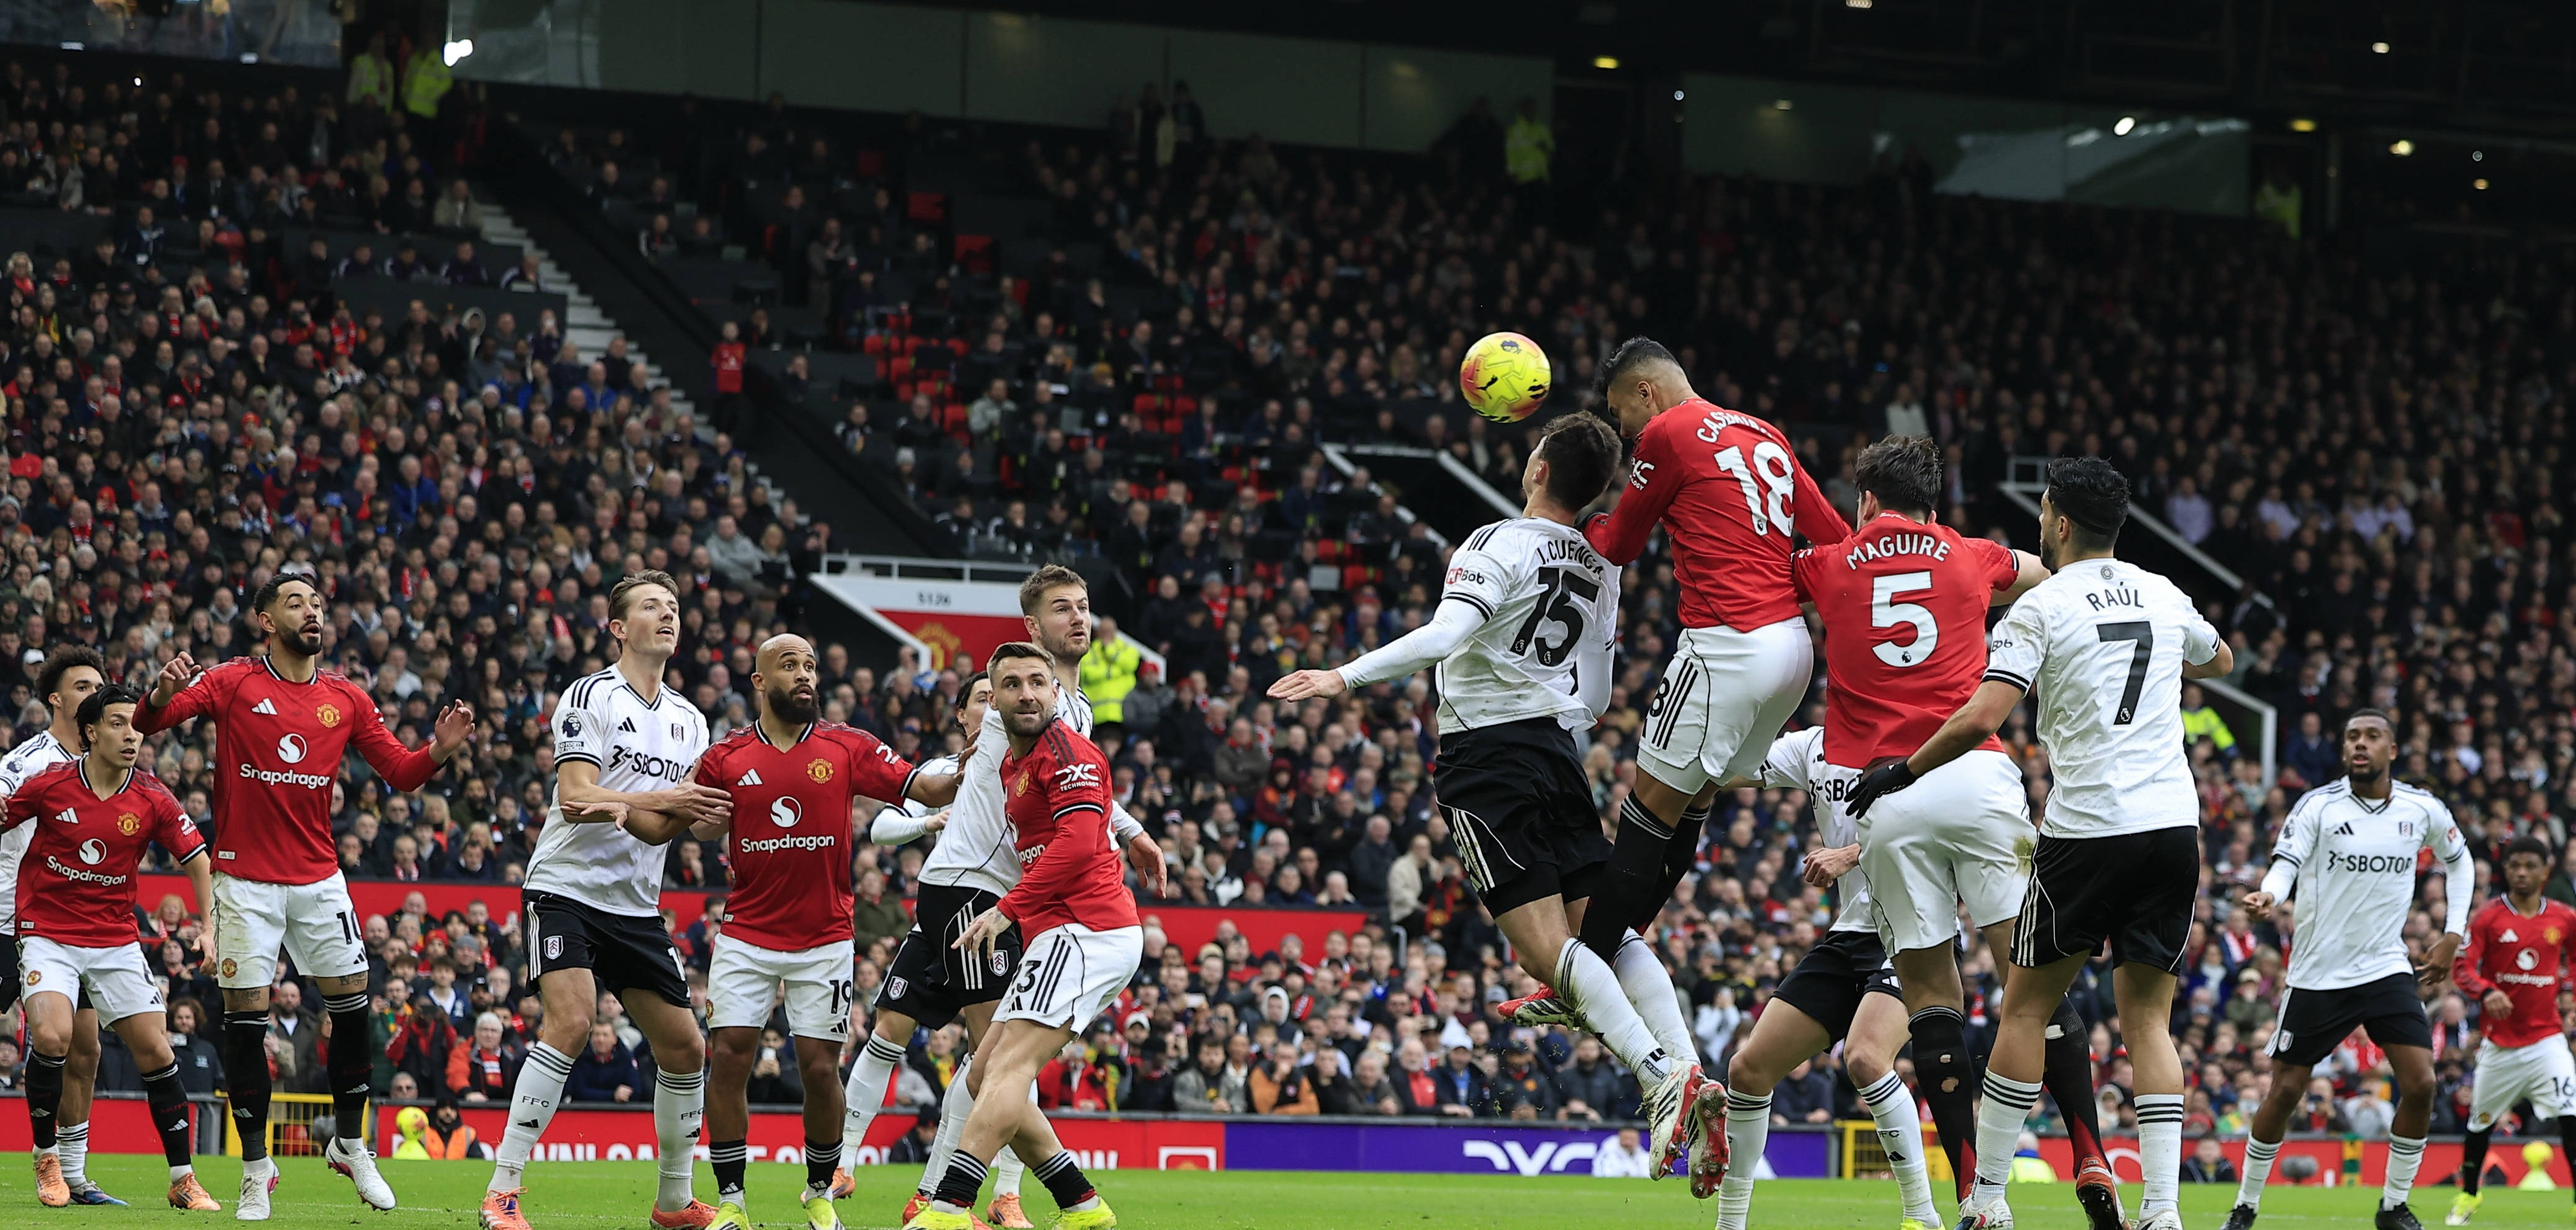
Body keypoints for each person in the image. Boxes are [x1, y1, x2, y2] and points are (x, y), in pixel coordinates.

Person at [1272, 414, 1707, 1175]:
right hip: (1557, 752)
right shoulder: (1602, 565)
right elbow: (1599, 694)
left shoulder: (1494, 541)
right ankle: (1688, 1061)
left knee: (1547, 950)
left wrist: (1342, 677)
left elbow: (1445, 637)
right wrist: (1552, 712)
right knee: (1601, 925)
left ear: (1539, 468)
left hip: (1485, 757)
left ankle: (1657, 1077)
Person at [1846, 457, 2235, 1230]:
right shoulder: (2162, 592)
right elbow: (2218, 658)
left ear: (2057, 520)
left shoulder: (2044, 606)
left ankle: (1987, 1199)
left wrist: (1902, 770)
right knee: (2149, 1023)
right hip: (2172, 827)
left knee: (2025, 1011)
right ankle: (2163, 1211)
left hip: (2090, 829)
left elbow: (1983, 719)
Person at [1753, 437, 2123, 1230]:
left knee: (1931, 1001)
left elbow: (1781, 570)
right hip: (1979, 774)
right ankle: (2090, 1149)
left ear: (1865, 502)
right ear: (1933, 502)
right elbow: (2050, 578)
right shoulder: (1975, 555)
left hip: (1891, 791)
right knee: (2032, 983)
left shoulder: (1830, 566)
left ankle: (1974, 1198)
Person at [1511, 339, 1854, 1180]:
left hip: (1726, 642)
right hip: (1789, 648)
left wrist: (1566, 528)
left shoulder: (1672, 432)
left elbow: (1622, 539)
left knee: (1648, 802)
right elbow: (1836, 537)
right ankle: (1608, 956)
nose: (1628, 440)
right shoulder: (1767, 433)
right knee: (1689, 796)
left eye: (1625, 417)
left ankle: (1584, 963)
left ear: (1643, 389)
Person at [140, 572, 475, 1217]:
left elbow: (402, 773)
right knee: (245, 1025)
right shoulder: (233, 680)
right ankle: (256, 1169)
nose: (312, 611)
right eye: (296, 602)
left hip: (320, 879)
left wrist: (439, 750)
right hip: (244, 882)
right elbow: (157, 721)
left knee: (353, 1009)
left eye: (318, 602)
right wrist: (160, 692)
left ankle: (350, 1145)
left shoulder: (345, 698)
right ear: (267, 620)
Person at [853, 566, 1164, 1230]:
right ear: (1030, 630)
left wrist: (1130, 830)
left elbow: (1085, 812)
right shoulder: (1016, 711)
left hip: (1031, 907)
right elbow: (972, 758)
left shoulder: (1067, 722)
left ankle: (963, 1201)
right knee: (982, 1065)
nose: (1079, 619)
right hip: (979, 891)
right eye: (1061, 610)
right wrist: (924, 786)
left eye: (1085, 607)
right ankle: (990, 1198)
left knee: (991, 1067)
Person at [648, 633, 960, 1230]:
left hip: (825, 940)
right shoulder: (725, 757)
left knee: (820, 1068)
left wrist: (978, 760)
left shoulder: (847, 745)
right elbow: (688, 824)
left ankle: (820, 1191)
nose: (805, 676)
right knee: (731, 1059)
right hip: (746, 935)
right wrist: (697, 827)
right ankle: (733, 1202)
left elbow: (923, 785)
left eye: (811, 665)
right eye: (790, 665)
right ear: (760, 681)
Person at [478, 571, 730, 1230]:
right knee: (571, 1020)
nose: (668, 615)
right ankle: (502, 1194)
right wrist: (667, 799)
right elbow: (577, 798)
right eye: (652, 606)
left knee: (685, 1049)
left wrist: (727, 808)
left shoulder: (690, 719)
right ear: (619, 627)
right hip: (564, 889)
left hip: (636, 906)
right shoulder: (590, 694)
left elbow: (692, 824)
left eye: (674, 607)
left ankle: (673, 1204)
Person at [905, 642, 1138, 1230]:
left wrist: (1006, 909)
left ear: (1057, 693)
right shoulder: (1011, 762)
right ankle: (1082, 1205)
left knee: (1009, 1068)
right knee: (985, 1072)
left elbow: (1081, 841)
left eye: (1039, 681)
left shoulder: (1068, 751)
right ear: (992, 700)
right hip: (1060, 932)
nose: (1027, 693)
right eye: (1011, 684)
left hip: (1089, 928)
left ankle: (950, 1206)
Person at [2223, 707, 2466, 1230]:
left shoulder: (2422, 808)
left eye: (2373, 736)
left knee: (2421, 1083)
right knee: (2285, 1091)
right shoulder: (2319, 806)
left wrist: (2453, 933)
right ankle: (2245, 1205)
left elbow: (2459, 860)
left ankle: (2394, 1205)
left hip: (2384, 966)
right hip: (2319, 973)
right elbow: (2286, 861)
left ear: (2393, 750)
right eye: (2353, 736)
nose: (2361, 744)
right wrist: (2270, 892)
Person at [1702, 725, 1936, 1228]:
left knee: (1866, 1058)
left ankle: (1922, 1217)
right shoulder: (1812, 745)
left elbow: (1940, 826)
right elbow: (1725, 769)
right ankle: (1730, 1224)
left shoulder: (1920, 732)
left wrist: (1851, 853)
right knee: (1747, 1070)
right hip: (1850, 931)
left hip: (1917, 931)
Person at [3, 684, 221, 1211]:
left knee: (158, 1050)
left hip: (114, 938)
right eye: (119, 724)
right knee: (53, 1037)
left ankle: (182, 1178)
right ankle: (46, 1157)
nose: (132, 734)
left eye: (136, 725)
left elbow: (197, 858)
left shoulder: (152, 796)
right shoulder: (48, 785)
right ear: (92, 731)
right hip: (48, 932)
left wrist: (210, 926)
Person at [0, 648, 119, 1203]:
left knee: (86, 1049)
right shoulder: (25, 765)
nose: (95, 691)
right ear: (56, 698)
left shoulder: (109, 765)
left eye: (101, 684)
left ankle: (71, 1170)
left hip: (79, 927)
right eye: (82, 685)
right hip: (10, 921)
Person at [2446, 834, 2576, 1225]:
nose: (2522, 873)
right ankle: (2469, 1195)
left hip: (2546, 1039)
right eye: (2515, 865)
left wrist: (2570, 993)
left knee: (2571, 1112)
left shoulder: (2564, 918)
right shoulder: (2488, 917)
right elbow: (2462, 968)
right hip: (2499, 1045)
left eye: (2530, 866)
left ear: (2544, 871)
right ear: (2506, 870)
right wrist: (2487, 992)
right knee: (2479, 1123)